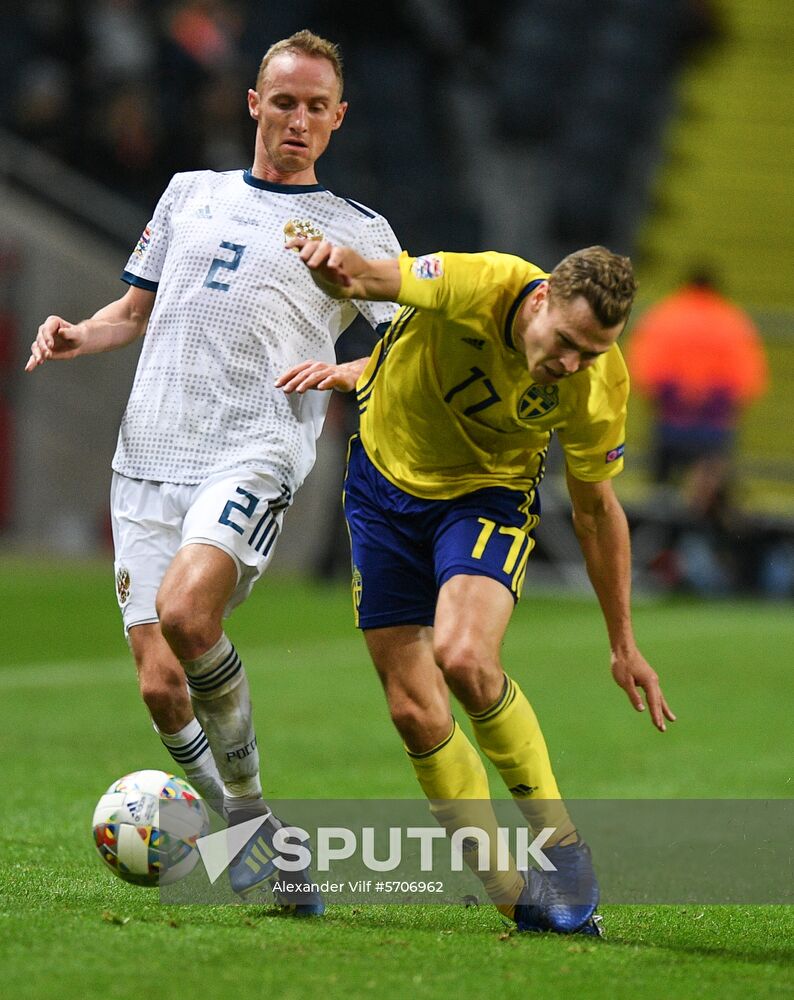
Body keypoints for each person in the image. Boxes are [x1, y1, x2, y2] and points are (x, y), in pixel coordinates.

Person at [25, 30, 401, 910]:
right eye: (284, 101)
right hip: (149, 452)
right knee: (161, 684)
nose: (298, 119)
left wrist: (350, 372)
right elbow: (133, 309)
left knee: (192, 615)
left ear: (338, 119)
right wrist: (83, 332)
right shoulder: (190, 194)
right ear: (253, 104)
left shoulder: (359, 232)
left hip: (254, 446)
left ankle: (250, 819)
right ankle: (256, 833)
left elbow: (407, 349)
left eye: (316, 107)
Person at [277, 238, 676, 935]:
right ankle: (515, 898)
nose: (572, 363)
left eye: (592, 350)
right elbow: (377, 277)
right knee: (413, 712)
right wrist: (331, 264)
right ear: (543, 297)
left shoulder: (595, 383)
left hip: (485, 497)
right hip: (381, 489)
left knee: (464, 657)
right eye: (567, 342)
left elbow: (595, 511)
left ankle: (561, 847)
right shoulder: (476, 281)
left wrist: (623, 643)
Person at [627, 268, 768, 593]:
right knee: (711, 502)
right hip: (713, 428)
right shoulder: (732, 319)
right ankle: (711, 569)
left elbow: (646, 370)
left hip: (670, 424)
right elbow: (748, 379)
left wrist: (675, 401)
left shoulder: (665, 314)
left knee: (661, 500)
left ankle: (659, 564)